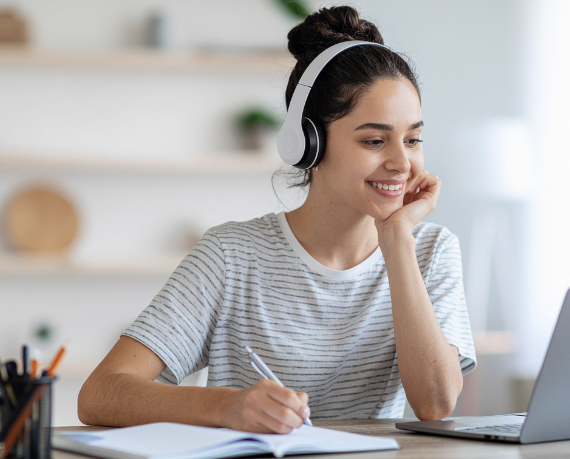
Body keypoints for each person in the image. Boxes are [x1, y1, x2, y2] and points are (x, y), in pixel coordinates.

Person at [77, 5, 476, 434]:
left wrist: (397, 239)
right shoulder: (231, 256)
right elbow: (100, 394)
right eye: (375, 140)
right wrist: (225, 408)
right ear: (308, 143)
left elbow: (434, 404)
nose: (402, 163)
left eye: (413, 139)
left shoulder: (432, 249)